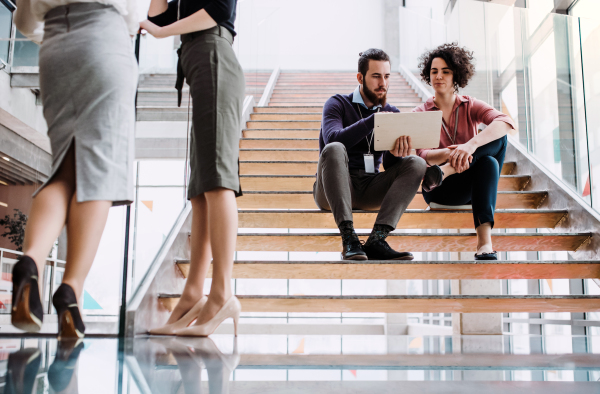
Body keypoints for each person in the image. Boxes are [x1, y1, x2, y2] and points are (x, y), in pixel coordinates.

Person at [12, 0, 138, 338]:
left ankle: (32, 261)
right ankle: (71, 287)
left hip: (55, 49)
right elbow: (136, 13)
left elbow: (23, 20)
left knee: (63, 171)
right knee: (98, 173)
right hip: (105, 38)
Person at [141, 0, 244, 336]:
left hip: (213, 55)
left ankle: (222, 293)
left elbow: (218, 10)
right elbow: (158, 14)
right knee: (200, 190)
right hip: (199, 63)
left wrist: (161, 32)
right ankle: (192, 294)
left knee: (216, 181)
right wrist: (161, 27)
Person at [385, 43, 515, 260]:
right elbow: (422, 155)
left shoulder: (470, 105)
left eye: (445, 71)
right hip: (436, 186)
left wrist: (469, 146)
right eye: (434, 71)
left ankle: (484, 243)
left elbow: (505, 122)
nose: (439, 76)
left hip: (468, 185)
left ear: (456, 75)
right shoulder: (420, 112)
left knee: (496, 144)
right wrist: (449, 153)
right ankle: (444, 173)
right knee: (489, 160)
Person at [315, 49, 427, 261]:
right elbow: (332, 139)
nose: (382, 83)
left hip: (369, 186)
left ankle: (377, 239)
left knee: (416, 163)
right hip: (333, 189)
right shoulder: (337, 104)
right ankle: (349, 238)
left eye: (386, 76)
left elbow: (388, 164)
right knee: (335, 148)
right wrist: (372, 120)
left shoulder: (390, 113)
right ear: (360, 77)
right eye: (376, 76)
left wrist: (396, 153)